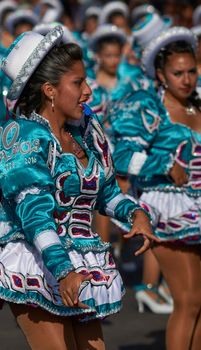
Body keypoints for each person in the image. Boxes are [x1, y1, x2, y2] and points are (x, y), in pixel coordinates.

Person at [0, 26, 156, 349]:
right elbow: (35, 216)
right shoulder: (24, 138)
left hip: (80, 259)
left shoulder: (85, 129)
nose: (89, 92)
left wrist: (134, 212)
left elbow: (105, 192)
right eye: (78, 83)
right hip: (35, 260)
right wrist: (63, 270)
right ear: (49, 90)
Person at [110, 26, 201, 350]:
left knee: (199, 304)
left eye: (192, 71)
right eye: (178, 73)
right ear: (161, 75)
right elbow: (121, 157)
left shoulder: (198, 103)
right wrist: (162, 166)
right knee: (189, 301)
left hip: (198, 207)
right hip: (165, 207)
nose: (187, 79)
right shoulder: (148, 107)